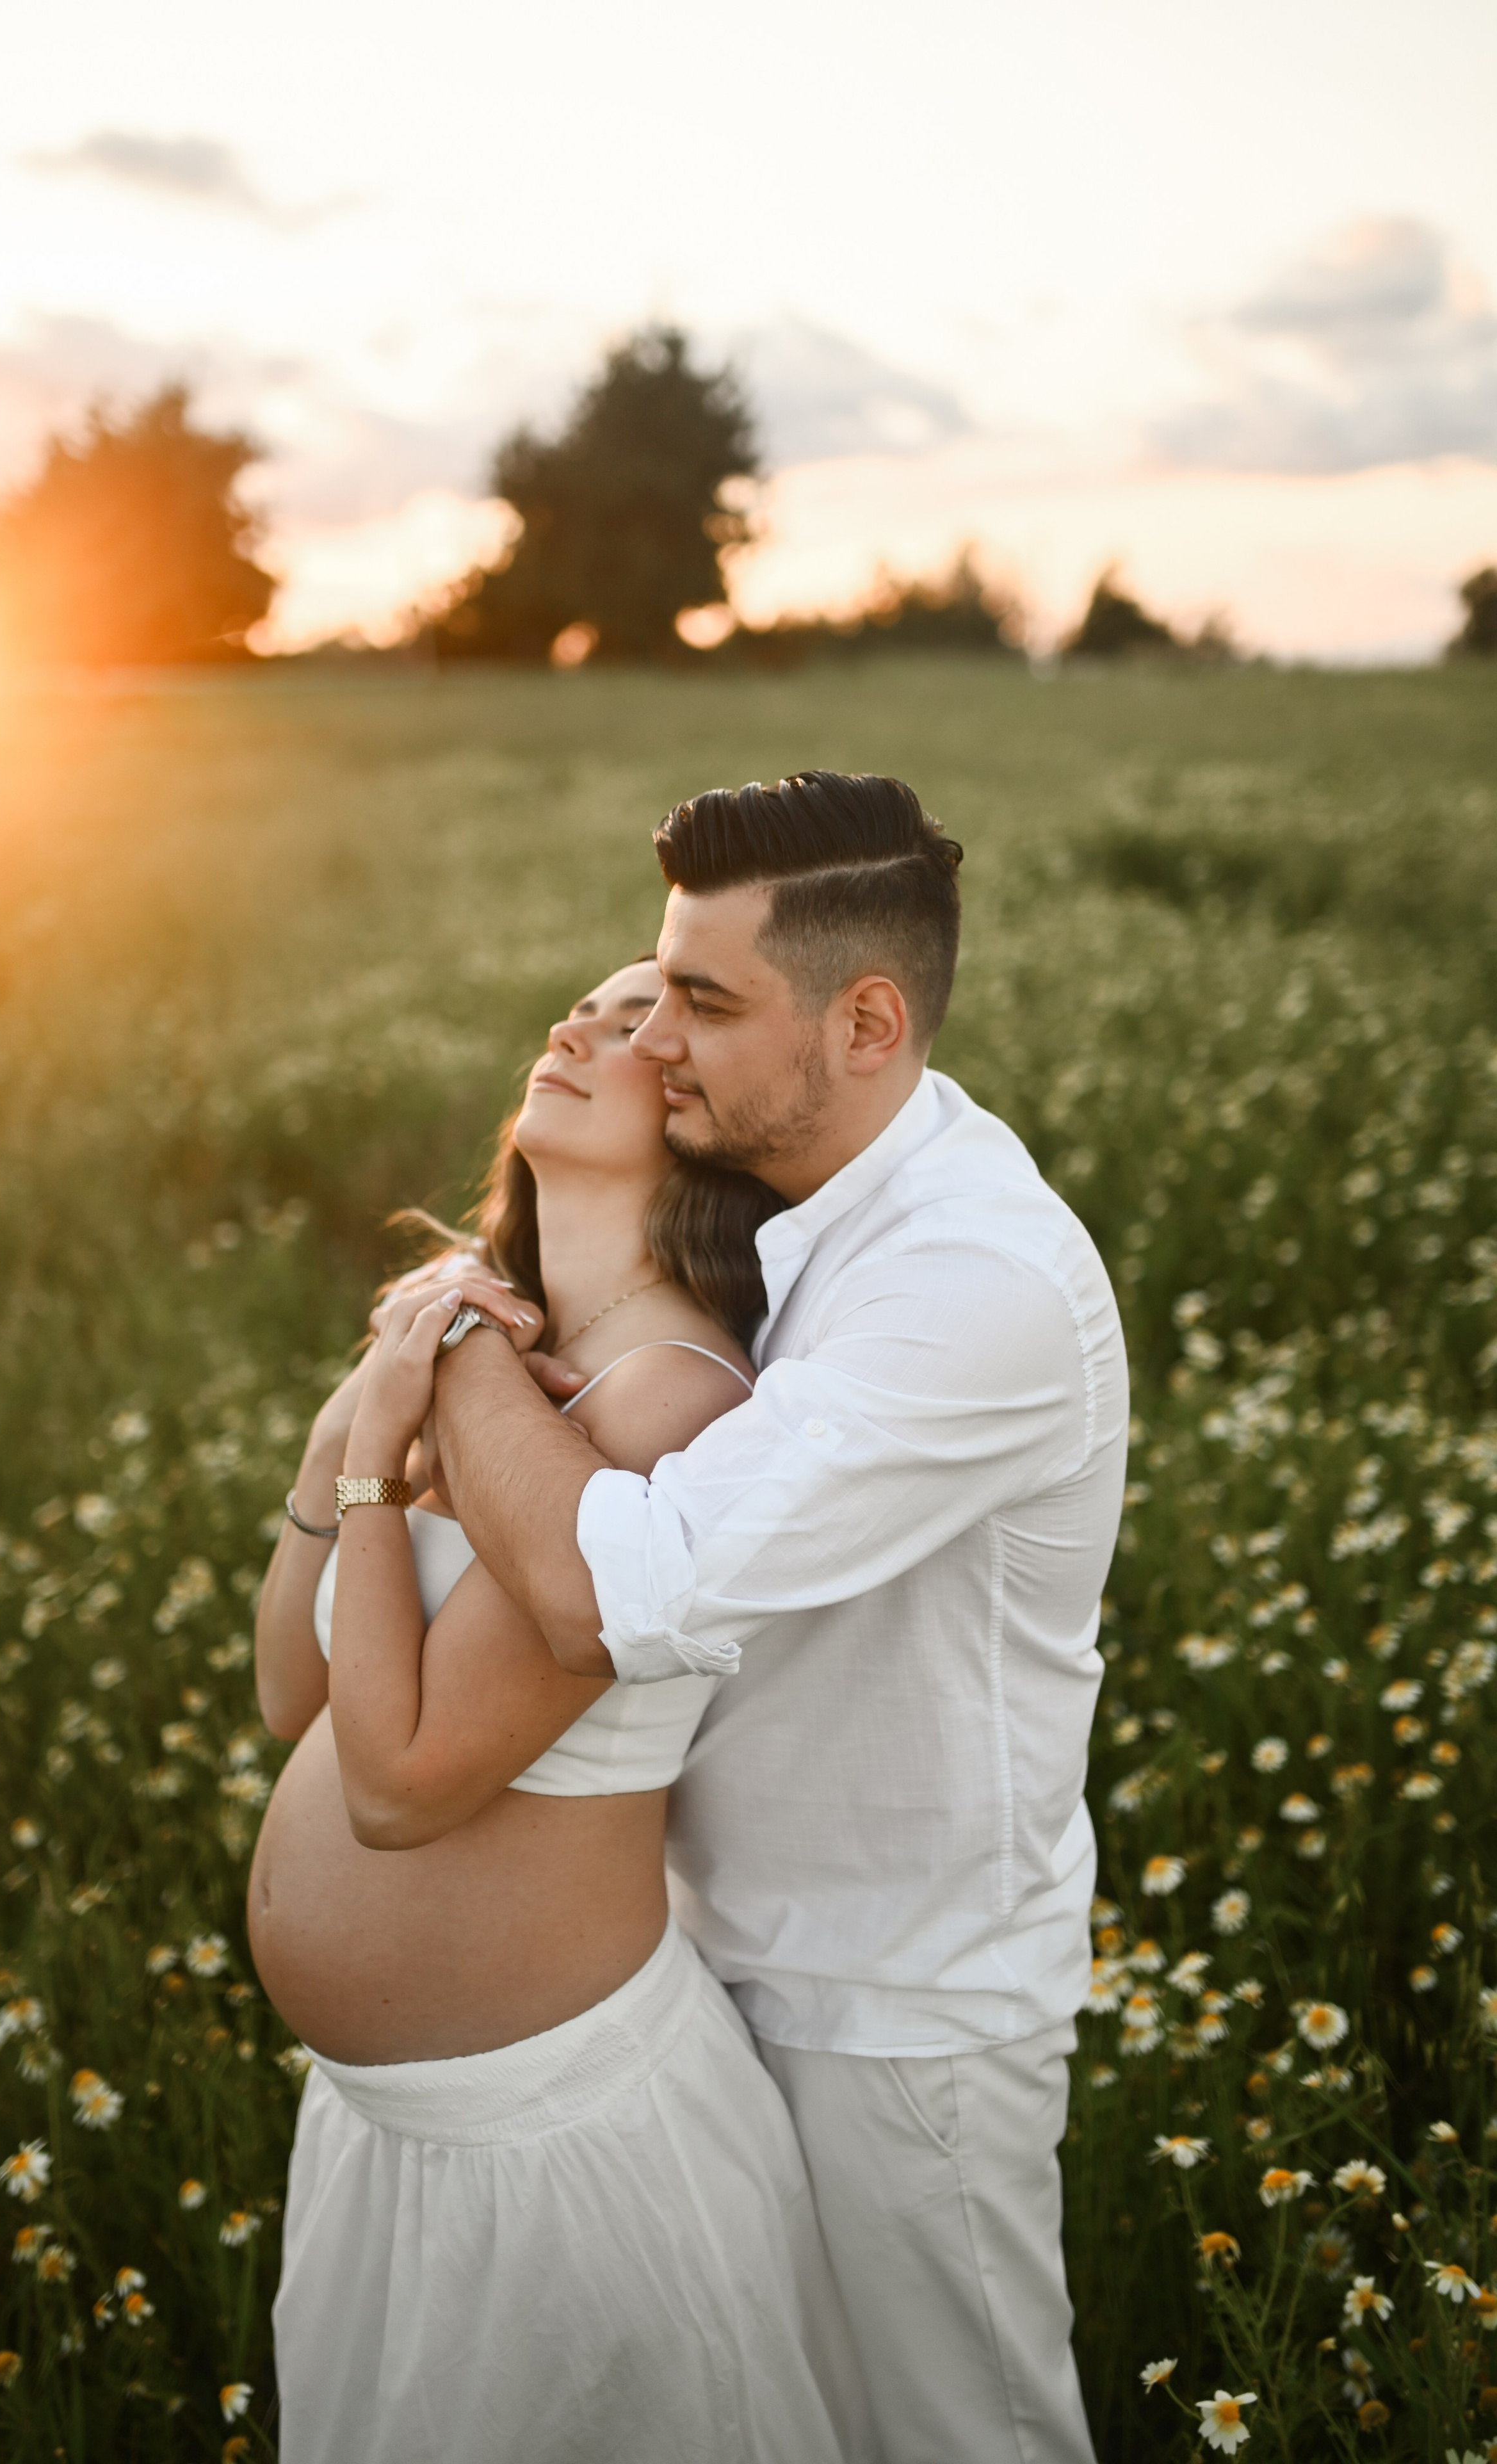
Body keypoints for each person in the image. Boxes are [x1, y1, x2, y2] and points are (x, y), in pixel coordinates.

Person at [427, 772, 1130, 2464]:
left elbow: (614, 1594)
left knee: (958, 2436)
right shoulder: (775, 1205)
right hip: (698, 1966)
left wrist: (447, 1340)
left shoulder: (977, 1281)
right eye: (658, 986)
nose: (656, 1035)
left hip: (898, 2009)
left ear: (867, 1019)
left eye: (709, 1001)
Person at [247, 955, 873, 2464]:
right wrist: (360, 1419)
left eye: (636, 1021)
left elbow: (393, 1786)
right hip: (388, 2132)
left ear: (705, 1112)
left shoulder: (665, 1401)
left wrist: (378, 1463)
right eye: (581, 1008)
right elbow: (292, 1699)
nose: (581, 1028)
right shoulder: (479, 1343)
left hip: (558, 2158)